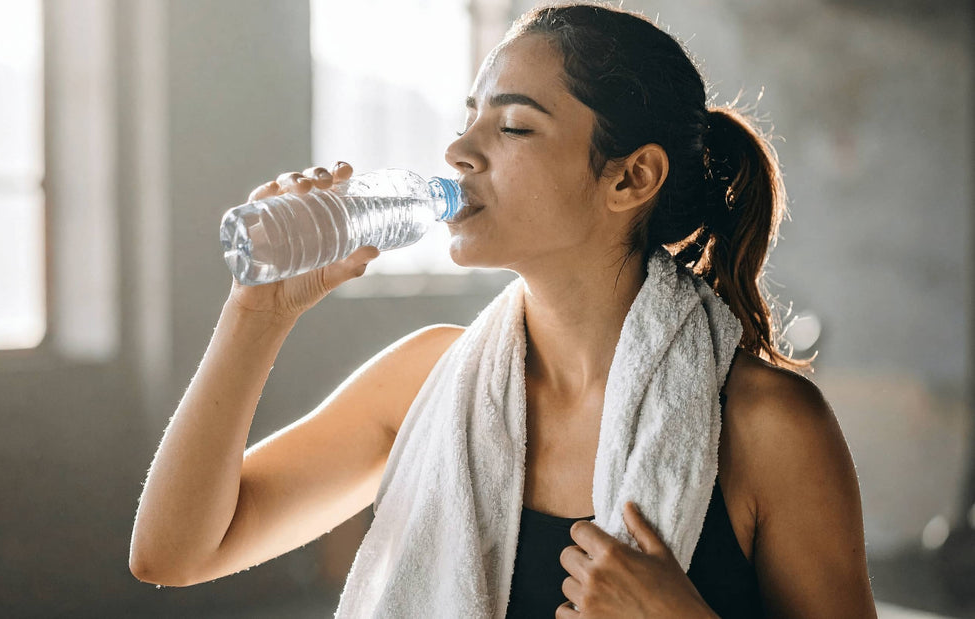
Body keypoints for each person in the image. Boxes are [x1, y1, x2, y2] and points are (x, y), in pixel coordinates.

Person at [130, 3, 876, 617]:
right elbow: (176, 551)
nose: (459, 148)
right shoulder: (426, 380)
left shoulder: (771, 427)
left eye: (513, 126)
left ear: (631, 177)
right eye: (469, 117)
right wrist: (255, 314)